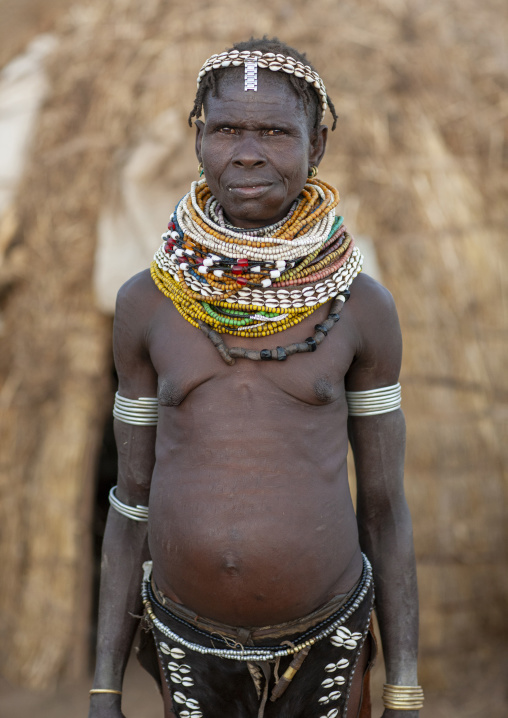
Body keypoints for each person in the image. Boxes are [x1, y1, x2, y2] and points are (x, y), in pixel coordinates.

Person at [89, 37, 423, 718]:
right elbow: (130, 506)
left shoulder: (361, 307)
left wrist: (404, 686)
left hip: (330, 638)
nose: (247, 152)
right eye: (226, 130)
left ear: (318, 145)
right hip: (186, 641)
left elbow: (386, 510)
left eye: (275, 131)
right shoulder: (147, 304)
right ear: (197, 139)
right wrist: (104, 691)